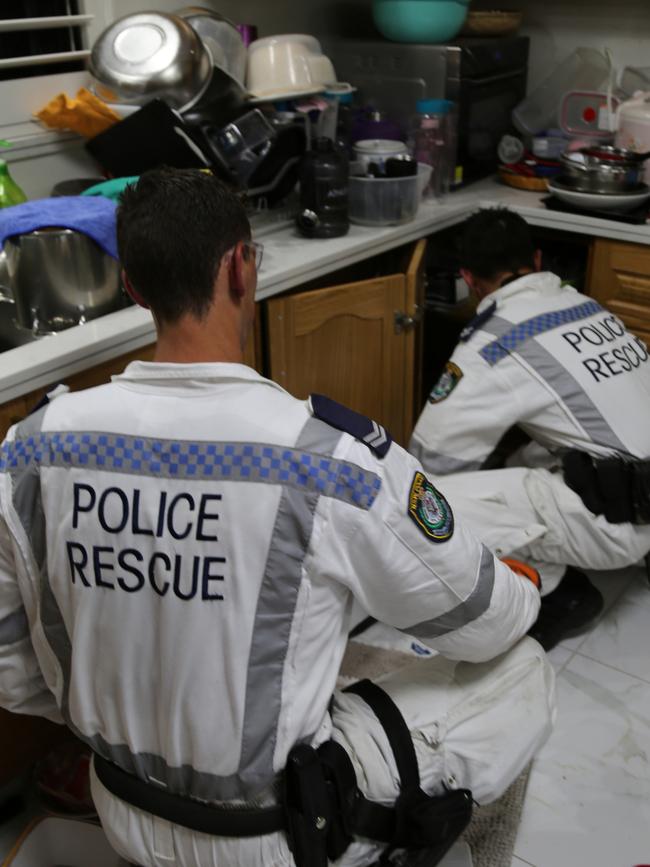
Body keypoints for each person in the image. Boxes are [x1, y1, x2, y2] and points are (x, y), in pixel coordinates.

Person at [0, 171, 555, 867]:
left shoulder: (30, 449)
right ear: (241, 265)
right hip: (276, 834)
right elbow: (489, 621)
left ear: (134, 288)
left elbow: (14, 672)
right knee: (524, 665)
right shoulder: (331, 459)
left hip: (121, 805)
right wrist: (517, 583)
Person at [410, 206, 650, 651]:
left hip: (623, 524)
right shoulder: (585, 306)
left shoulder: (494, 343)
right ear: (537, 261)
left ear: (468, 277)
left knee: (425, 502)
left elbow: (431, 461)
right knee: (529, 456)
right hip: (642, 492)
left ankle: (558, 592)